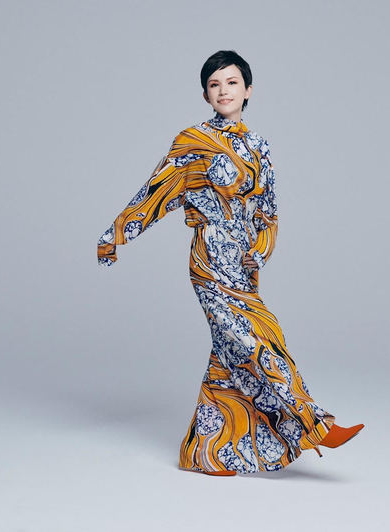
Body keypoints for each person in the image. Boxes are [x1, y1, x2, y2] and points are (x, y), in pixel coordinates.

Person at [97, 50, 364, 476]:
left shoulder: (258, 146)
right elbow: (156, 190)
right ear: (206, 94)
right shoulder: (192, 141)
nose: (224, 90)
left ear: (248, 90)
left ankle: (204, 451)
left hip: (244, 263)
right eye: (215, 84)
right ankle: (315, 424)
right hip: (210, 259)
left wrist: (261, 249)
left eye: (232, 82)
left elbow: (268, 211)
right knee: (259, 337)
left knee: (228, 356)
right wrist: (116, 234)